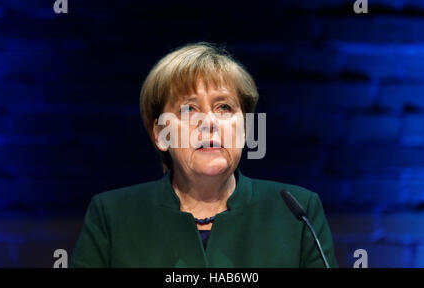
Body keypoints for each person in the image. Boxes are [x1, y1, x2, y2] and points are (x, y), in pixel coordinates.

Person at [69, 42, 338, 268]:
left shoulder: (297, 212)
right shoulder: (113, 215)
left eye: (224, 107)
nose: (209, 121)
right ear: (162, 134)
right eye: (189, 109)